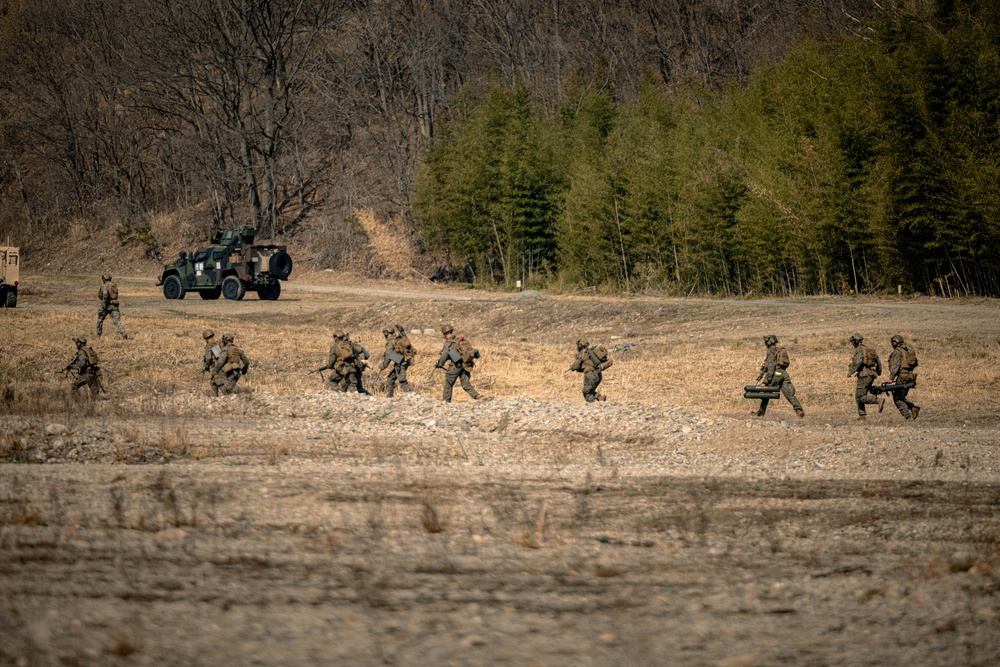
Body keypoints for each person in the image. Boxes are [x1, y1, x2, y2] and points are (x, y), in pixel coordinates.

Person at [755, 334, 804, 418]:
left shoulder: (770, 351)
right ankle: (798, 410)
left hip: (775, 374)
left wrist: (767, 378)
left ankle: (761, 412)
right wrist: (762, 374)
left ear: (768, 342)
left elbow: (771, 366)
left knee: (766, 392)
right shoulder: (778, 350)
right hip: (783, 374)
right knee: (789, 394)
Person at [435, 324, 484, 402]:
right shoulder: (459, 340)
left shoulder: (449, 343)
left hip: (455, 366)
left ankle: (446, 402)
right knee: (465, 384)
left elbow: (444, 355)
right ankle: (477, 396)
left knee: (448, 384)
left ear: (445, 333)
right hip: (465, 365)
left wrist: (439, 363)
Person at [848, 333, 883, 420]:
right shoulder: (868, 349)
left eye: (853, 342)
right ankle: (862, 415)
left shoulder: (859, 349)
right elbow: (878, 362)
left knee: (860, 397)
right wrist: (878, 372)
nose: (852, 344)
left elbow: (858, 362)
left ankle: (877, 400)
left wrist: (851, 372)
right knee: (858, 395)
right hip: (871, 375)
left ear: (856, 341)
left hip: (864, 376)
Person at [888, 334, 920, 420]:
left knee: (897, 398)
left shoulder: (897, 352)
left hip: (902, 377)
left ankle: (908, 417)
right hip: (910, 377)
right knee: (901, 397)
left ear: (895, 343)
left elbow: (895, 366)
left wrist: (891, 378)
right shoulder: (907, 351)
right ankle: (913, 408)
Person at [569, 338, 612, 402]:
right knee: (590, 391)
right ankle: (600, 398)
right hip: (598, 375)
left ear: (580, 345)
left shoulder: (582, 353)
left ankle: (592, 405)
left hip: (590, 375)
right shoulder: (591, 352)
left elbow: (575, 366)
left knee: (587, 393)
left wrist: (571, 367)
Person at [380, 325, 415, 397]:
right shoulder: (398, 339)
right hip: (403, 362)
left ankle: (412, 396)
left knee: (402, 381)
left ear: (386, 333)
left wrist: (383, 366)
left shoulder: (390, 342)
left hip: (400, 363)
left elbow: (389, 356)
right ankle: (390, 397)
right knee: (390, 379)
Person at [97, 274, 128, 339]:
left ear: (104, 279)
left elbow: (105, 294)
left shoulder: (104, 286)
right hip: (114, 305)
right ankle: (123, 332)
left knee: (100, 320)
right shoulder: (114, 285)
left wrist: (104, 304)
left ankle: (98, 335)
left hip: (107, 305)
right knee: (117, 320)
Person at [202, 329, 225, 395]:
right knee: (213, 382)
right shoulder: (217, 344)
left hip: (217, 368)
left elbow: (208, 358)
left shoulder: (209, 346)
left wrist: (206, 366)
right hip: (222, 366)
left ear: (205, 338)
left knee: (219, 383)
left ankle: (229, 396)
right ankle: (214, 399)